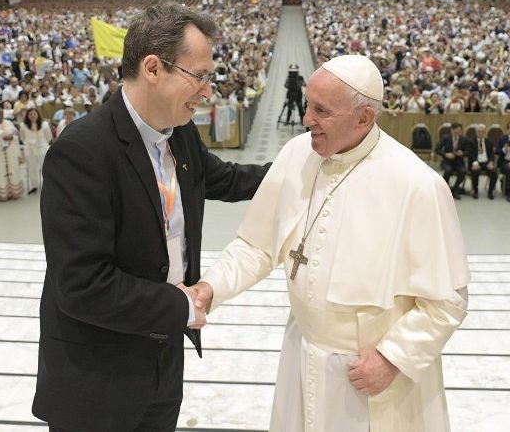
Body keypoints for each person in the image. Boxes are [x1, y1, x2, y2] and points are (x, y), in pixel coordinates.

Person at [191, 55, 470, 432]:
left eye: (322, 110)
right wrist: (211, 288)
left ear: (364, 118)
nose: (307, 119)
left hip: (370, 373)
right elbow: (256, 246)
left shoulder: (417, 185)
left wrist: (392, 358)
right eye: (308, 104)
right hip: (302, 353)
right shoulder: (295, 154)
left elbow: (447, 301)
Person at [32, 3, 269, 431]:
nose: (206, 91)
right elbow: (83, 286)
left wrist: (301, 171)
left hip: (161, 364)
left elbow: (226, 180)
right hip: (98, 378)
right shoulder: (83, 151)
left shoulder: (180, 133)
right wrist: (180, 305)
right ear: (154, 68)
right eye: (198, 76)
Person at [0, 107, 24, 201]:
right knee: (0, 171)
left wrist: (11, 137)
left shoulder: (8, 122)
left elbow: (15, 133)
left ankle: (14, 192)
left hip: (10, 150)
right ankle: (3, 194)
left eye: (1, 113)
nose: (0, 115)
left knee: (12, 170)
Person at [20, 108, 52, 194]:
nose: (33, 116)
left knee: (44, 167)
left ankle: (46, 185)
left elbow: (48, 137)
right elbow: (22, 138)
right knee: (32, 168)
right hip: (29, 150)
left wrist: (42, 144)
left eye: (34, 114)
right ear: (27, 116)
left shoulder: (44, 124)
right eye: (30, 114)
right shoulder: (23, 125)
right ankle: (34, 185)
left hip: (42, 148)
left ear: (38, 114)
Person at [436, 122, 468, 199]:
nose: (457, 134)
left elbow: (468, 151)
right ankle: (445, 190)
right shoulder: (445, 138)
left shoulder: (464, 139)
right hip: (447, 161)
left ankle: (454, 189)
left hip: (459, 161)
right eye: (455, 132)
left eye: (458, 132)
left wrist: (462, 153)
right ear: (451, 131)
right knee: (448, 170)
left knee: (463, 171)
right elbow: (437, 149)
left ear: (461, 131)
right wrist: (445, 154)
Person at [467, 126, 498, 199]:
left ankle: (490, 192)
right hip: (475, 161)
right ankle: (475, 191)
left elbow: (492, 154)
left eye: (482, 132)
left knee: (494, 172)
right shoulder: (471, 141)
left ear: (485, 133)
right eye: (479, 131)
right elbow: (470, 153)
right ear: (476, 132)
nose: (480, 133)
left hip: (486, 162)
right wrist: (475, 163)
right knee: (475, 171)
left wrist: (491, 162)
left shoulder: (489, 141)